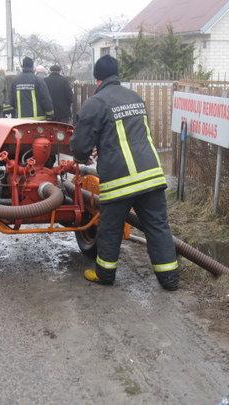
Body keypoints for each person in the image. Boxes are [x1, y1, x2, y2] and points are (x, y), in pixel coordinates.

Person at [70, 55, 178, 291]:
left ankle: (105, 275)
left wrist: (81, 158)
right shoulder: (135, 98)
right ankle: (169, 278)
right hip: (151, 175)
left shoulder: (95, 103)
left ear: (96, 79)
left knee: (110, 228)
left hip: (119, 181)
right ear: (117, 75)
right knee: (158, 226)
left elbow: (80, 145)